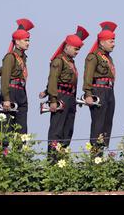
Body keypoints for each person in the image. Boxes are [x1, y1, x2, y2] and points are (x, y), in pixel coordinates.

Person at [46, 26, 89, 162]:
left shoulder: (70, 62)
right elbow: (52, 79)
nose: (77, 52)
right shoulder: (59, 61)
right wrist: (52, 99)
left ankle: (62, 160)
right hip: (61, 97)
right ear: (68, 46)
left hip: (70, 98)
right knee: (56, 130)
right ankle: (52, 161)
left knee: (68, 130)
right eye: (76, 49)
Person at [83, 21, 117, 157]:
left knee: (107, 124)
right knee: (98, 124)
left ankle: (101, 154)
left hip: (109, 91)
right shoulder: (93, 56)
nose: (113, 44)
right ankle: (95, 157)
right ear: (102, 42)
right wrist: (88, 93)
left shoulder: (108, 58)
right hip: (98, 90)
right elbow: (88, 76)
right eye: (111, 41)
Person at [0, 18, 34, 137]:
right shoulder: (10, 57)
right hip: (11, 91)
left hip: (21, 92)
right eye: (25, 40)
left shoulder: (23, 58)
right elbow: (4, 78)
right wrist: (6, 98)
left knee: (22, 129)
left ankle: (20, 153)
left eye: (28, 40)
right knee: (7, 128)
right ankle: (4, 154)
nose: (28, 43)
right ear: (17, 42)